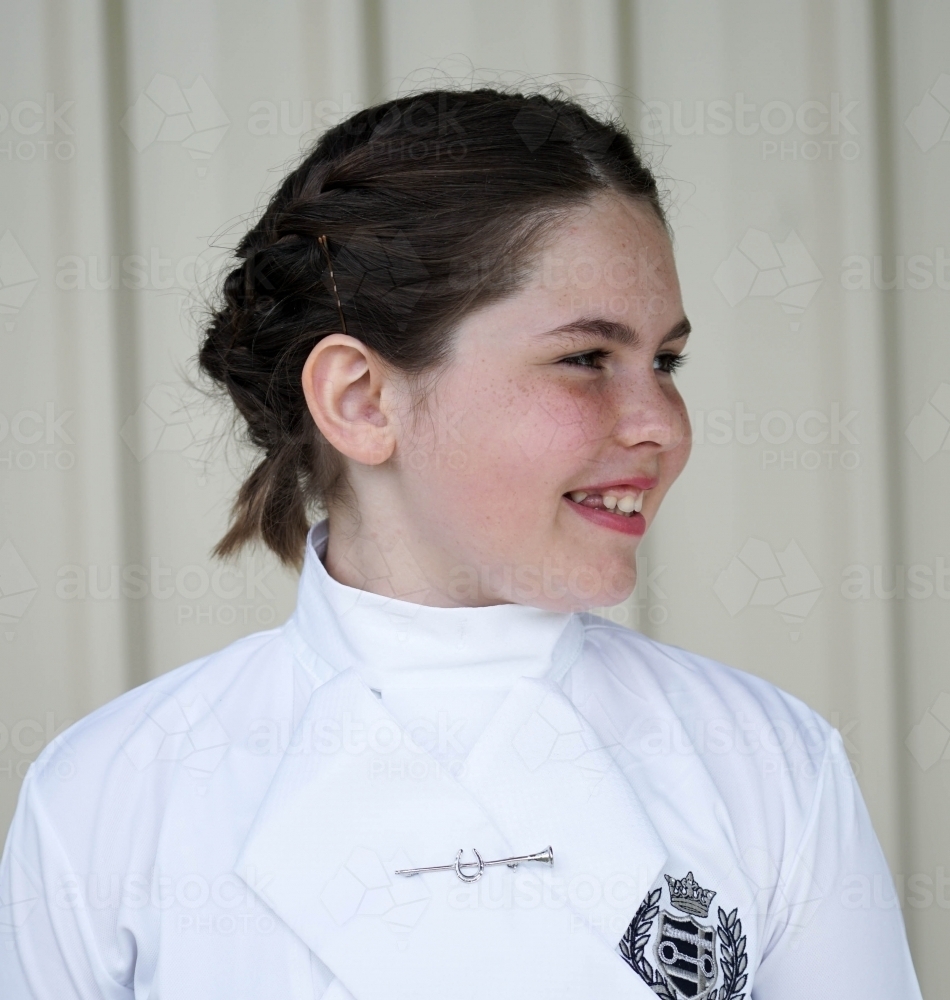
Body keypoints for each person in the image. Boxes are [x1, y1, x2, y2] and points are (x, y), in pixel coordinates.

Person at [0, 86, 922, 1000]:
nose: (662, 426)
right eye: (586, 359)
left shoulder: (769, 764)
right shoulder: (110, 797)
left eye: (665, 362)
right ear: (362, 400)